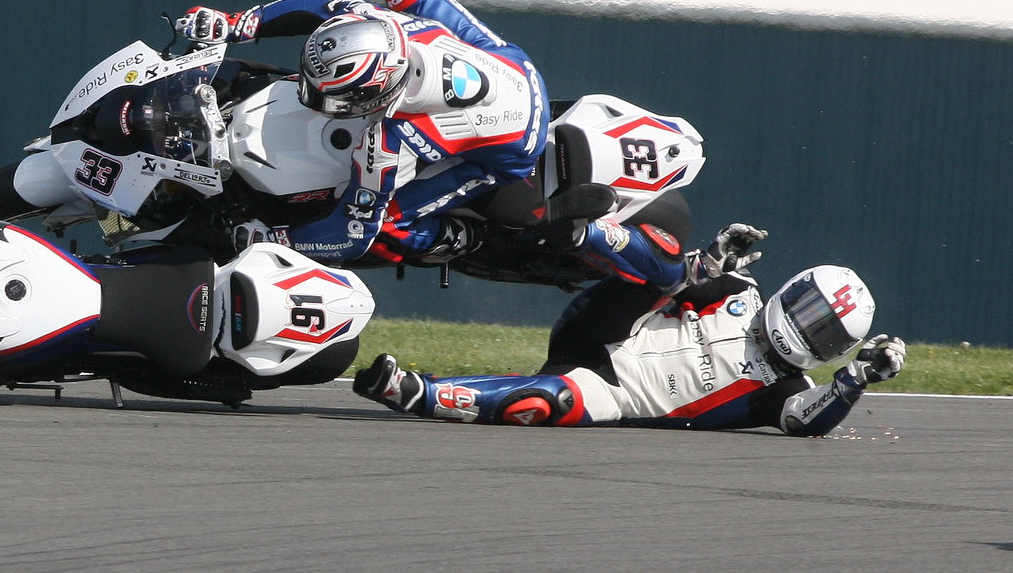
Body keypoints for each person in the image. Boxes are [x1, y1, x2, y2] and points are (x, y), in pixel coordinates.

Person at [177, 0, 562, 265]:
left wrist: (271, 238)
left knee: (389, 226)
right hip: (510, 65)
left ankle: (457, 238)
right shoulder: (388, 26)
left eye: (332, 98)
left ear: (377, 98)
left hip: (514, 145)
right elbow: (320, 4)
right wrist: (235, 25)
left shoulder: (390, 140)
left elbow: (351, 233)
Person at [352, 223, 909, 436]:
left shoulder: (788, 393)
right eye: (809, 311)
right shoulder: (741, 292)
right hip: (604, 330)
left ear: (836, 351)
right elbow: (671, 282)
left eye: (824, 332)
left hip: (611, 394)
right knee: (669, 261)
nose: (806, 329)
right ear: (792, 290)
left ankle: (416, 392)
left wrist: (854, 380)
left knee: (546, 403)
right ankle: (576, 229)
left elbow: (808, 423)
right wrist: (710, 261)